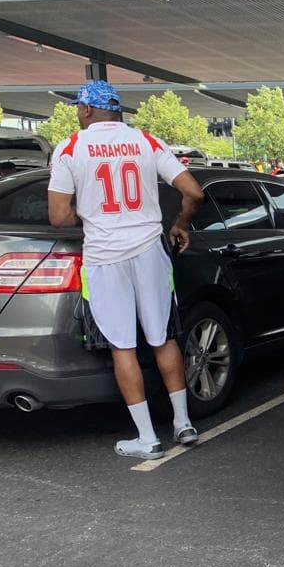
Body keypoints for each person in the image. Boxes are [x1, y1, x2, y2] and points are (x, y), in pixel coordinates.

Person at [47, 80, 203, 460]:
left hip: (105, 258)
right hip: (150, 251)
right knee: (163, 337)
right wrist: (180, 224)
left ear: (86, 110)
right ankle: (183, 422)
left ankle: (147, 438)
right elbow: (195, 192)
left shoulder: (70, 147)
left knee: (122, 346)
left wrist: (89, 215)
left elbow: (58, 216)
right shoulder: (146, 141)